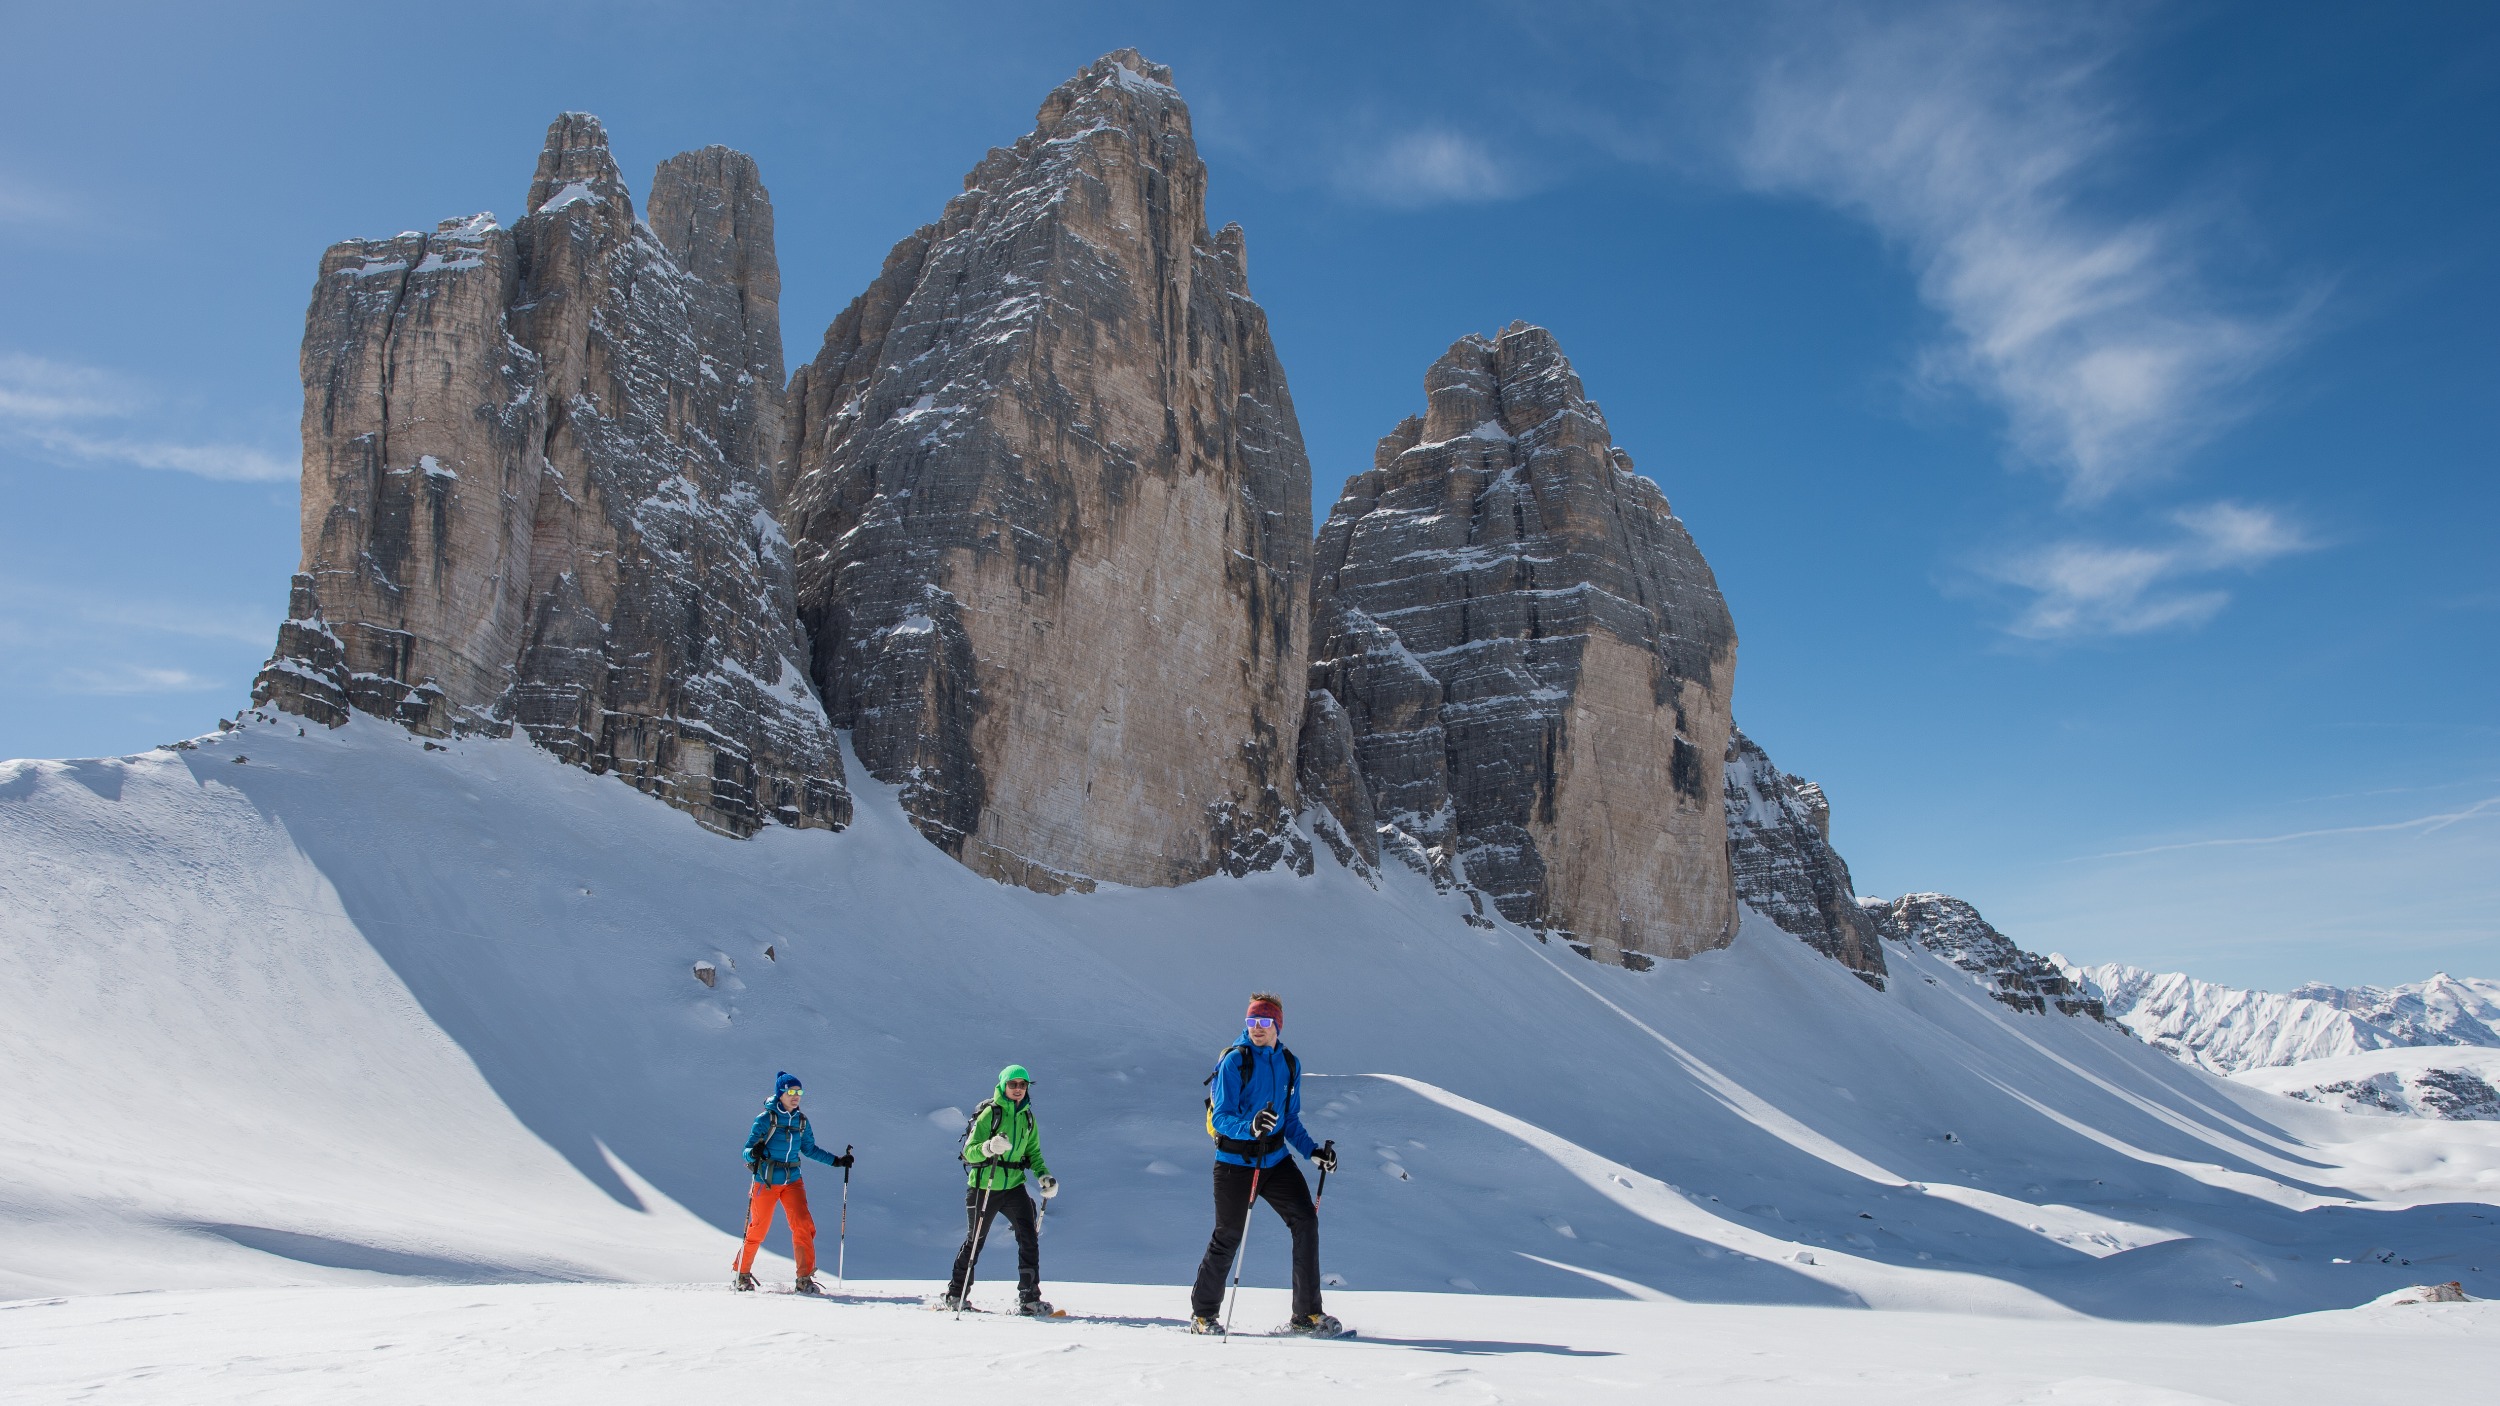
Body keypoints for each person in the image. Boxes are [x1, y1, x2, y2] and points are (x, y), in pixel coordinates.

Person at [1189, 993, 1343, 1336]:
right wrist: (1251, 1127)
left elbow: (1290, 1120)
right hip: (1234, 1163)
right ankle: (1203, 1316)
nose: (1257, 1029)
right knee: (1228, 1235)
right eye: (1251, 1022)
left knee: (1305, 1220)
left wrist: (1312, 1151)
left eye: (1263, 1022)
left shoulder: (1289, 1064)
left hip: (1274, 1160)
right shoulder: (1234, 1062)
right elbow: (1223, 1116)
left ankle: (1306, 1315)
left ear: (1277, 1025)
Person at [944, 1063, 1059, 1315]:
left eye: (1022, 1084)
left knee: (1028, 1237)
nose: (1018, 1089)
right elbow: (969, 1151)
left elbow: (1034, 1154)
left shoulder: (1028, 1117)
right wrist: (988, 1148)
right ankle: (956, 1294)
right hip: (984, 1185)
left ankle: (1029, 1298)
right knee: (975, 1241)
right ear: (1003, 1085)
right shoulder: (991, 1114)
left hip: (1014, 1185)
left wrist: (1044, 1176)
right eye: (1013, 1084)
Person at [735, 1071, 851, 1294]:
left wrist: (837, 1161)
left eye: (799, 1092)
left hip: (793, 1180)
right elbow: (746, 1152)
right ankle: (742, 1273)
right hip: (766, 1180)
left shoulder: (801, 1121)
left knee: (803, 1225)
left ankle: (804, 1278)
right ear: (781, 1093)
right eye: (791, 1091)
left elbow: (809, 1149)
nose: (796, 1096)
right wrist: (754, 1153)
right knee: (758, 1229)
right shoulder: (764, 1119)